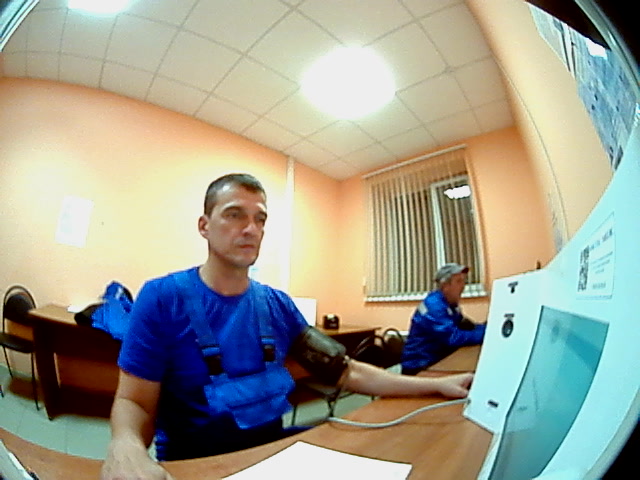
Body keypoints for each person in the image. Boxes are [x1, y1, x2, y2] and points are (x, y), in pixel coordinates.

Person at [101, 173, 475, 480]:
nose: (250, 229)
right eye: (234, 215)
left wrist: (435, 385)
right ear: (204, 226)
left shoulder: (277, 304)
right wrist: (124, 446)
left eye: (260, 219)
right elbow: (134, 400)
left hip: (273, 451)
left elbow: (346, 372)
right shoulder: (162, 297)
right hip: (195, 463)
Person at [401, 263, 486, 376]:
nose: (463, 286)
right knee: (470, 378)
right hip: (420, 366)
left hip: (436, 360)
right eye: (459, 281)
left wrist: (487, 328)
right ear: (445, 286)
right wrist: (487, 334)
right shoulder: (434, 306)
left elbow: (466, 326)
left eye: (463, 281)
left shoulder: (449, 304)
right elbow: (453, 338)